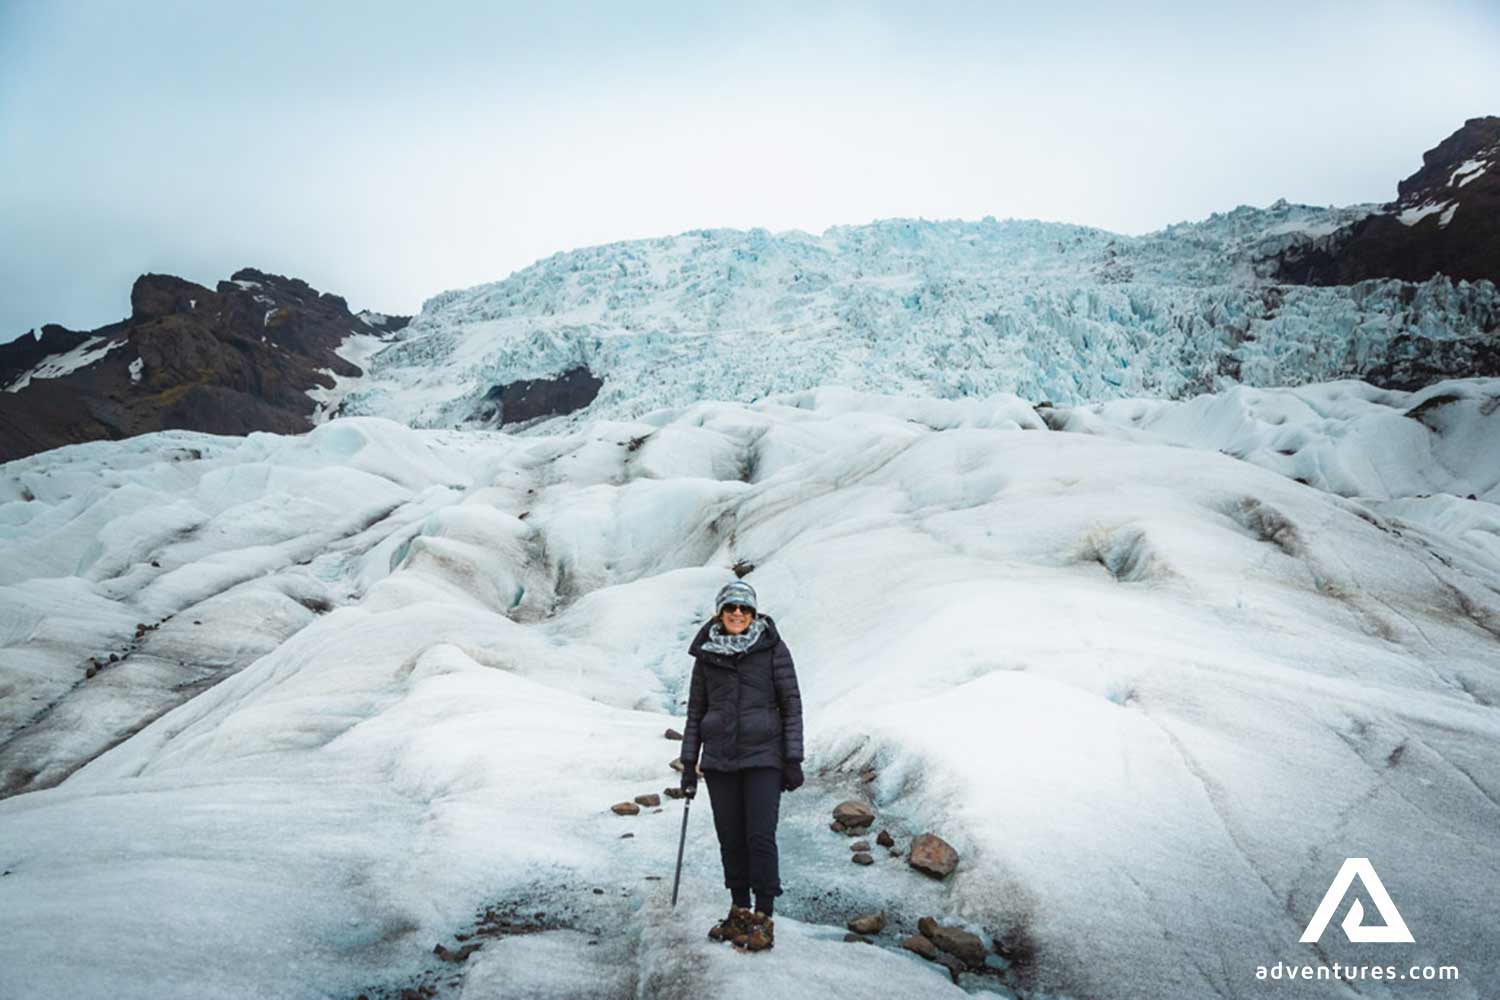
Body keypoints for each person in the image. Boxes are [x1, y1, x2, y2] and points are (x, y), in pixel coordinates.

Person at [678, 579, 805, 952]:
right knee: (730, 838)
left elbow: (792, 705)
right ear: (720, 612)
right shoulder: (706, 655)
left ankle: (763, 918)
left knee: (759, 836)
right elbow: (696, 711)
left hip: (764, 756)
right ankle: (739, 909)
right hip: (719, 760)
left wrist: (792, 758)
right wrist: (689, 764)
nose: (737, 613)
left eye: (744, 608)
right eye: (731, 607)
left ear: (753, 613)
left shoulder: (773, 649)